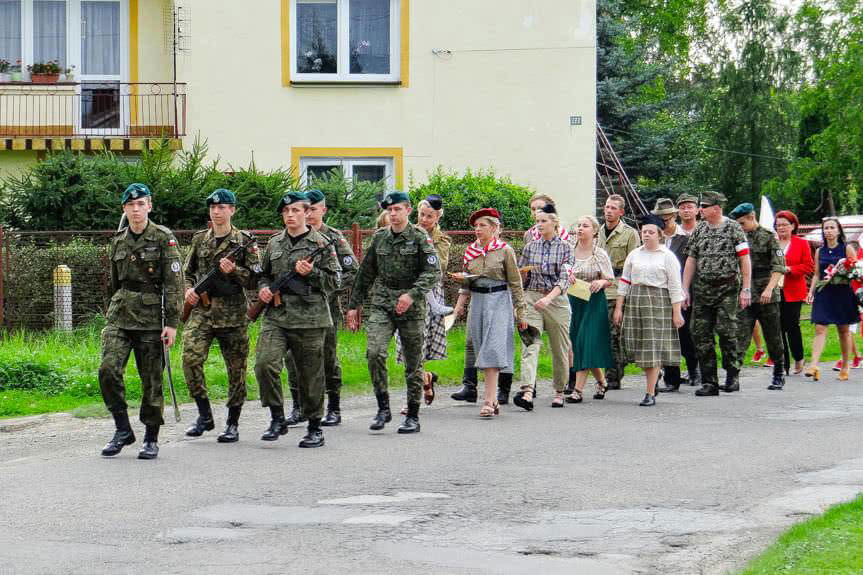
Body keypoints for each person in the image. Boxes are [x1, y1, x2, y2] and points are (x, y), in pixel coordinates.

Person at [98, 183, 183, 460]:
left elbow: (174, 283)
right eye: (130, 205)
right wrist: (114, 307)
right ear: (124, 208)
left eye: (140, 204)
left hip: (151, 319)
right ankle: (122, 429)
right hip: (120, 316)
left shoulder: (163, 238)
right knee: (108, 370)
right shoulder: (118, 240)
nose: (136, 209)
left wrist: (171, 323)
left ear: (149, 206)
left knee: (152, 380)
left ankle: (151, 437)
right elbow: (113, 282)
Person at [346, 191, 441, 433]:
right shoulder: (380, 238)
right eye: (389, 210)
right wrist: (353, 306)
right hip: (382, 303)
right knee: (374, 352)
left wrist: (411, 295)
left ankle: (413, 414)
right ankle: (383, 408)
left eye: (398, 209)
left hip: (411, 306)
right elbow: (366, 273)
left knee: (413, 362)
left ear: (408, 210)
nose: (393, 214)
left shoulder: (420, 237)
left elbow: (432, 272)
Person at [254, 191, 341, 448]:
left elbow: (335, 281)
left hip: (310, 319)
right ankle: (277, 417)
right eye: (286, 212)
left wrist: (312, 273)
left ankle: (315, 426)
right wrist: (263, 288)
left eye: (295, 211)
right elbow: (263, 275)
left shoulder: (322, 243)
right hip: (277, 316)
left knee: (310, 375)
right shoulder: (274, 244)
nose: (290, 216)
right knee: (264, 364)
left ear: (306, 212)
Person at [182, 189, 260, 443]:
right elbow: (187, 272)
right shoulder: (199, 239)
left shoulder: (244, 241)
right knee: (190, 359)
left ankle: (233, 423)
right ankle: (204, 414)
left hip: (233, 314)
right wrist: (188, 290)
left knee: (236, 369)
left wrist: (234, 270)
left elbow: (255, 279)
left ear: (232, 210)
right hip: (202, 313)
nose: (217, 211)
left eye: (223, 207)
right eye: (213, 208)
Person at [282, 189, 358, 427]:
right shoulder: (289, 237)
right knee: (292, 358)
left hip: (325, 309)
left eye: (314, 208)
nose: (310, 213)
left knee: (326, 357)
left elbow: (352, 271)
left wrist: (326, 288)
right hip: (292, 309)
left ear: (323, 210)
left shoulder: (332, 238)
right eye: (307, 208)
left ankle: (333, 407)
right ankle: (298, 407)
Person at [453, 208, 527, 417]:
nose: (477, 230)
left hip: (499, 301)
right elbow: (467, 282)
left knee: (492, 348)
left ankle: (488, 401)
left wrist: (521, 313)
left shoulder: (505, 250)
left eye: (482, 225)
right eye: (475, 226)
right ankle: (493, 400)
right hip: (478, 302)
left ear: (494, 228)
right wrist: (460, 302)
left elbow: (515, 282)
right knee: (479, 347)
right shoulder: (470, 251)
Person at [682, 191, 752, 396]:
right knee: (700, 334)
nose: (700, 209)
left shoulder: (733, 228)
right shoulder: (700, 229)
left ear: (716, 208)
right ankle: (709, 382)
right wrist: (685, 289)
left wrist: (746, 288)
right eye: (701, 205)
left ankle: (732, 376)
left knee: (727, 332)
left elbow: (744, 259)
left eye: (704, 206)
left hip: (727, 289)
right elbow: (691, 259)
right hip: (703, 290)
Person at [614, 215, 685, 406]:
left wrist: (676, 311)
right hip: (636, 301)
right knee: (640, 346)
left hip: (658, 302)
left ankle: (649, 393)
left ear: (659, 234)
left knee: (652, 347)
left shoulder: (667, 256)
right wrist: (619, 307)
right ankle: (655, 376)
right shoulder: (635, 254)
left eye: (650, 232)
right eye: (644, 231)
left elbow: (675, 286)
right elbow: (625, 281)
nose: (646, 235)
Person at [395, 194, 452, 408]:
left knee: (419, 341)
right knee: (407, 343)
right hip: (405, 291)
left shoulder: (442, 239)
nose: (425, 219)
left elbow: (439, 267)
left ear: (437, 217)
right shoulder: (406, 232)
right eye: (422, 215)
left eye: (430, 216)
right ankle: (425, 378)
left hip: (427, 292)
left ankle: (412, 398)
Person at [515, 204, 572, 408]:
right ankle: (527, 391)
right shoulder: (531, 247)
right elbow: (520, 274)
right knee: (530, 344)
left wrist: (548, 299)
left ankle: (559, 391)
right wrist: (520, 297)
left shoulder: (566, 247)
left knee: (559, 349)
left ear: (554, 222)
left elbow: (565, 278)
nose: (539, 225)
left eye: (543, 221)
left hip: (556, 300)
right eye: (537, 221)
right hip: (532, 297)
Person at [729, 203, 787, 390]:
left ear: (752, 217)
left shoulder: (769, 237)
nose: (740, 226)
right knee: (740, 335)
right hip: (746, 293)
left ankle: (778, 372)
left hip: (766, 293)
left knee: (773, 336)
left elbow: (778, 267)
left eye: (742, 222)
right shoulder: (739, 237)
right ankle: (733, 377)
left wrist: (769, 289)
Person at [565, 215, 615, 403]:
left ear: (594, 231)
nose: (580, 229)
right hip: (573, 299)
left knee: (585, 342)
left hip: (593, 302)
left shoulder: (599, 253)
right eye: (578, 225)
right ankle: (602, 382)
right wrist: (567, 277)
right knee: (577, 342)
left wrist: (600, 282)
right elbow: (561, 272)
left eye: (585, 226)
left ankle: (577, 390)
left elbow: (609, 279)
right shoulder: (568, 251)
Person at [652, 197, 699, 392]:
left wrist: (686, 291)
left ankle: (694, 370)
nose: (664, 222)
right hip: (660, 294)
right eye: (660, 219)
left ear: (673, 216)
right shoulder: (654, 240)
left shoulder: (686, 239)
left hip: (682, 293)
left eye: (667, 218)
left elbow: (691, 267)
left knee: (685, 334)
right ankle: (672, 378)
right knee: (666, 338)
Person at [804, 217, 858, 381]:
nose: (828, 231)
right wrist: (811, 291)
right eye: (826, 228)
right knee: (820, 327)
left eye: (832, 228)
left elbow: (856, 271)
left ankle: (845, 365)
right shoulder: (820, 251)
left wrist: (845, 273)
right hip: (824, 292)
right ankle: (813, 365)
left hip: (843, 292)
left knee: (843, 330)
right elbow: (817, 274)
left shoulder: (846, 248)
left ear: (838, 230)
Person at [598, 194, 640, 390]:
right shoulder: (598, 232)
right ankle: (609, 372)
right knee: (603, 334)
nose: (609, 211)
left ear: (621, 212)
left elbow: (635, 265)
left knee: (616, 334)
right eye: (607, 207)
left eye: (613, 208)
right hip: (599, 288)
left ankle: (614, 376)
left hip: (618, 288)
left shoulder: (629, 234)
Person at [773, 210, 814, 375]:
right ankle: (784, 363)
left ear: (793, 226)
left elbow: (808, 266)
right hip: (775, 290)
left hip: (794, 291)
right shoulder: (773, 243)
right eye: (778, 225)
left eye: (784, 224)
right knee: (778, 327)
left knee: (792, 325)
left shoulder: (801, 243)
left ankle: (799, 357)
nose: (781, 227)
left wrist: (789, 269)